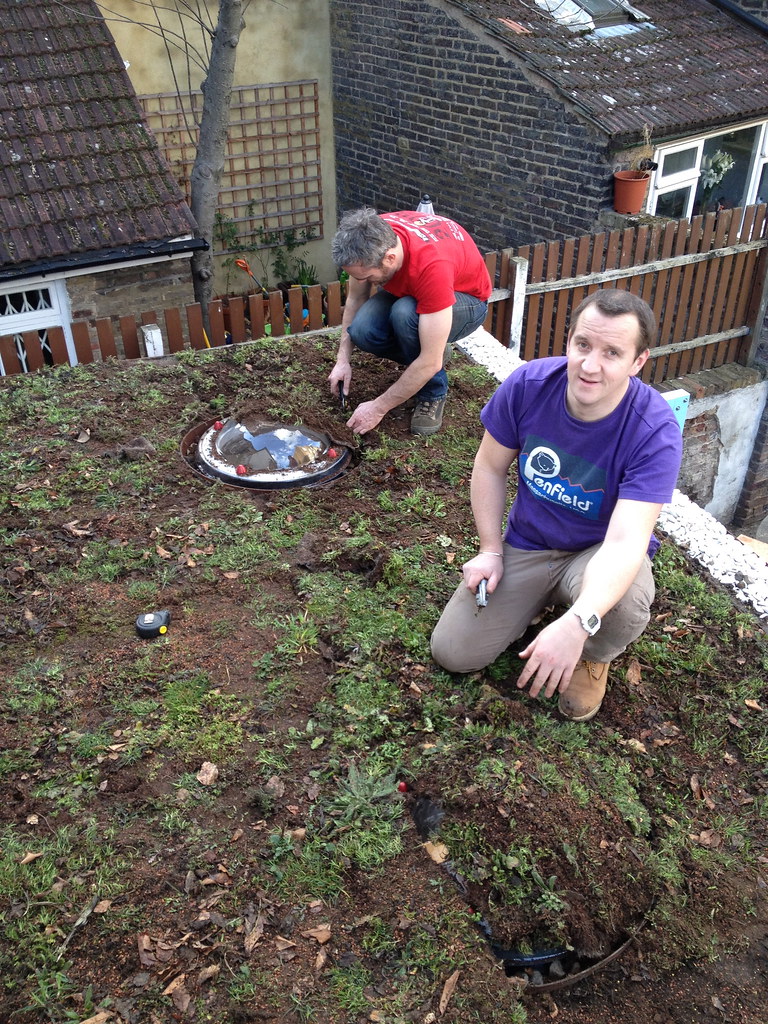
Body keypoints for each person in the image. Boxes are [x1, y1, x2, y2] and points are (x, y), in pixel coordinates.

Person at [430, 288, 683, 722]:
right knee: (453, 652)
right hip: (528, 543)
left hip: (596, 553)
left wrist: (578, 622)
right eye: (582, 345)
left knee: (626, 602)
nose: (590, 365)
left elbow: (626, 543)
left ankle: (593, 653)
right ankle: (536, 603)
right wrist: (491, 549)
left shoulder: (653, 429)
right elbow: (489, 468)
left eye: (612, 353)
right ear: (568, 340)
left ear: (638, 362)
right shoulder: (529, 386)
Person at [328, 207, 492, 436]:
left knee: (405, 315)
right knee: (362, 330)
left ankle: (433, 392)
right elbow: (356, 300)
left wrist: (378, 408)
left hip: (466, 301)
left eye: (365, 278)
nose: (362, 282)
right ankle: (429, 348)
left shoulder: (432, 266)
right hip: (415, 294)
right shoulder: (370, 236)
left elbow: (430, 361)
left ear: (390, 258)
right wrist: (342, 360)